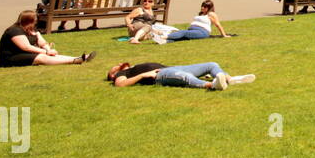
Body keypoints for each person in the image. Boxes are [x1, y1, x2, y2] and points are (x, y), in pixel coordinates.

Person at [0, 11, 95, 66]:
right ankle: (75, 61)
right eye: (35, 20)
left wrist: (48, 49)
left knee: (50, 55)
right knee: (41, 57)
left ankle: (78, 58)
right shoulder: (15, 31)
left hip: (25, 54)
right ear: (29, 21)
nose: (36, 22)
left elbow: (42, 43)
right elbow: (26, 47)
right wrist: (45, 52)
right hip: (12, 57)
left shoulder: (32, 30)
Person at [105, 61, 254, 90]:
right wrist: (145, 75)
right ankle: (213, 85)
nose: (116, 66)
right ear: (112, 75)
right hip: (160, 75)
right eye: (113, 69)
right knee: (183, 78)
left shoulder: (132, 66)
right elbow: (120, 84)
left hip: (173, 68)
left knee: (211, 65)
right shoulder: (122, 73)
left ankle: (229, 79)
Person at [165, 0, 231, 41]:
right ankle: (165, 41)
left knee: (183, 32)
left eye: (205, 7)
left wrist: (224, 35)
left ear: (209, 8)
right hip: (193, 30)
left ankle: (165, 37)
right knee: (181, 37)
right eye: (202, 6)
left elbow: (218, 25)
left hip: (202, 32)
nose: (202, 7)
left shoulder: (211, 14)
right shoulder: (202, 13)